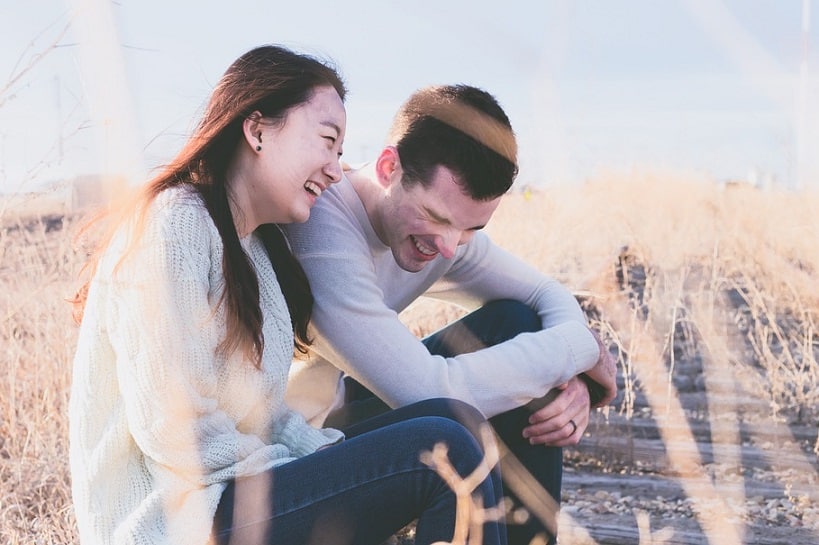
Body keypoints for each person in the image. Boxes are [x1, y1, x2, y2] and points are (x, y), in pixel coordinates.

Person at [68, 46, 506, 545]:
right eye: (326, 142)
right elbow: (173, 428)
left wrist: (321, 457)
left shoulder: (253, 250)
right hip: (176, 521)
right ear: (257, 130)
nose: (336, 170)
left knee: (455, 418)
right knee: (443, 448)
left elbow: (262, 414)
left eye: (341, 153)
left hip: (233, 497)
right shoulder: (173, 224)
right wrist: (302, 469)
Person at [283, 84, 618, 545]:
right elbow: (428, 390)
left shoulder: (447, 235)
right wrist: (576, 351)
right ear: (388, 167)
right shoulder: (321, 226)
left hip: (334, 418)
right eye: (436, 217)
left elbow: (545, 293)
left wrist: (571, 375)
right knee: (461, 422)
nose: (448, 246)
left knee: (516, 323)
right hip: (287, 461)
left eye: (471, 228)